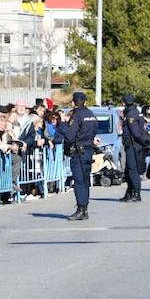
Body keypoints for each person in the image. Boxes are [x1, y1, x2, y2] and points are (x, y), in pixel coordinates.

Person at [59, 91, 96, 221]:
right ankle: (84, 208)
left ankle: (81, 209)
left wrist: (63, 126)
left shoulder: (77, 116)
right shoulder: (91, 114)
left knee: (79, 182)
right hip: (88, 150)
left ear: (74, 103)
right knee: (85, 181)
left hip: (78, 152)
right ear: (85, 102)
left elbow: (70, 136)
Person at [120, 94, 150, 203]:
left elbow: (136, 133)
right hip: (132, 144)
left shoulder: (131, 114)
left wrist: (143, 142)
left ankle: (136, 193)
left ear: (124, 103)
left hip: (133, 145)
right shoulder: (134, 111)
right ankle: (129, 192)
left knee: (133, 170)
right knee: (128, 170)